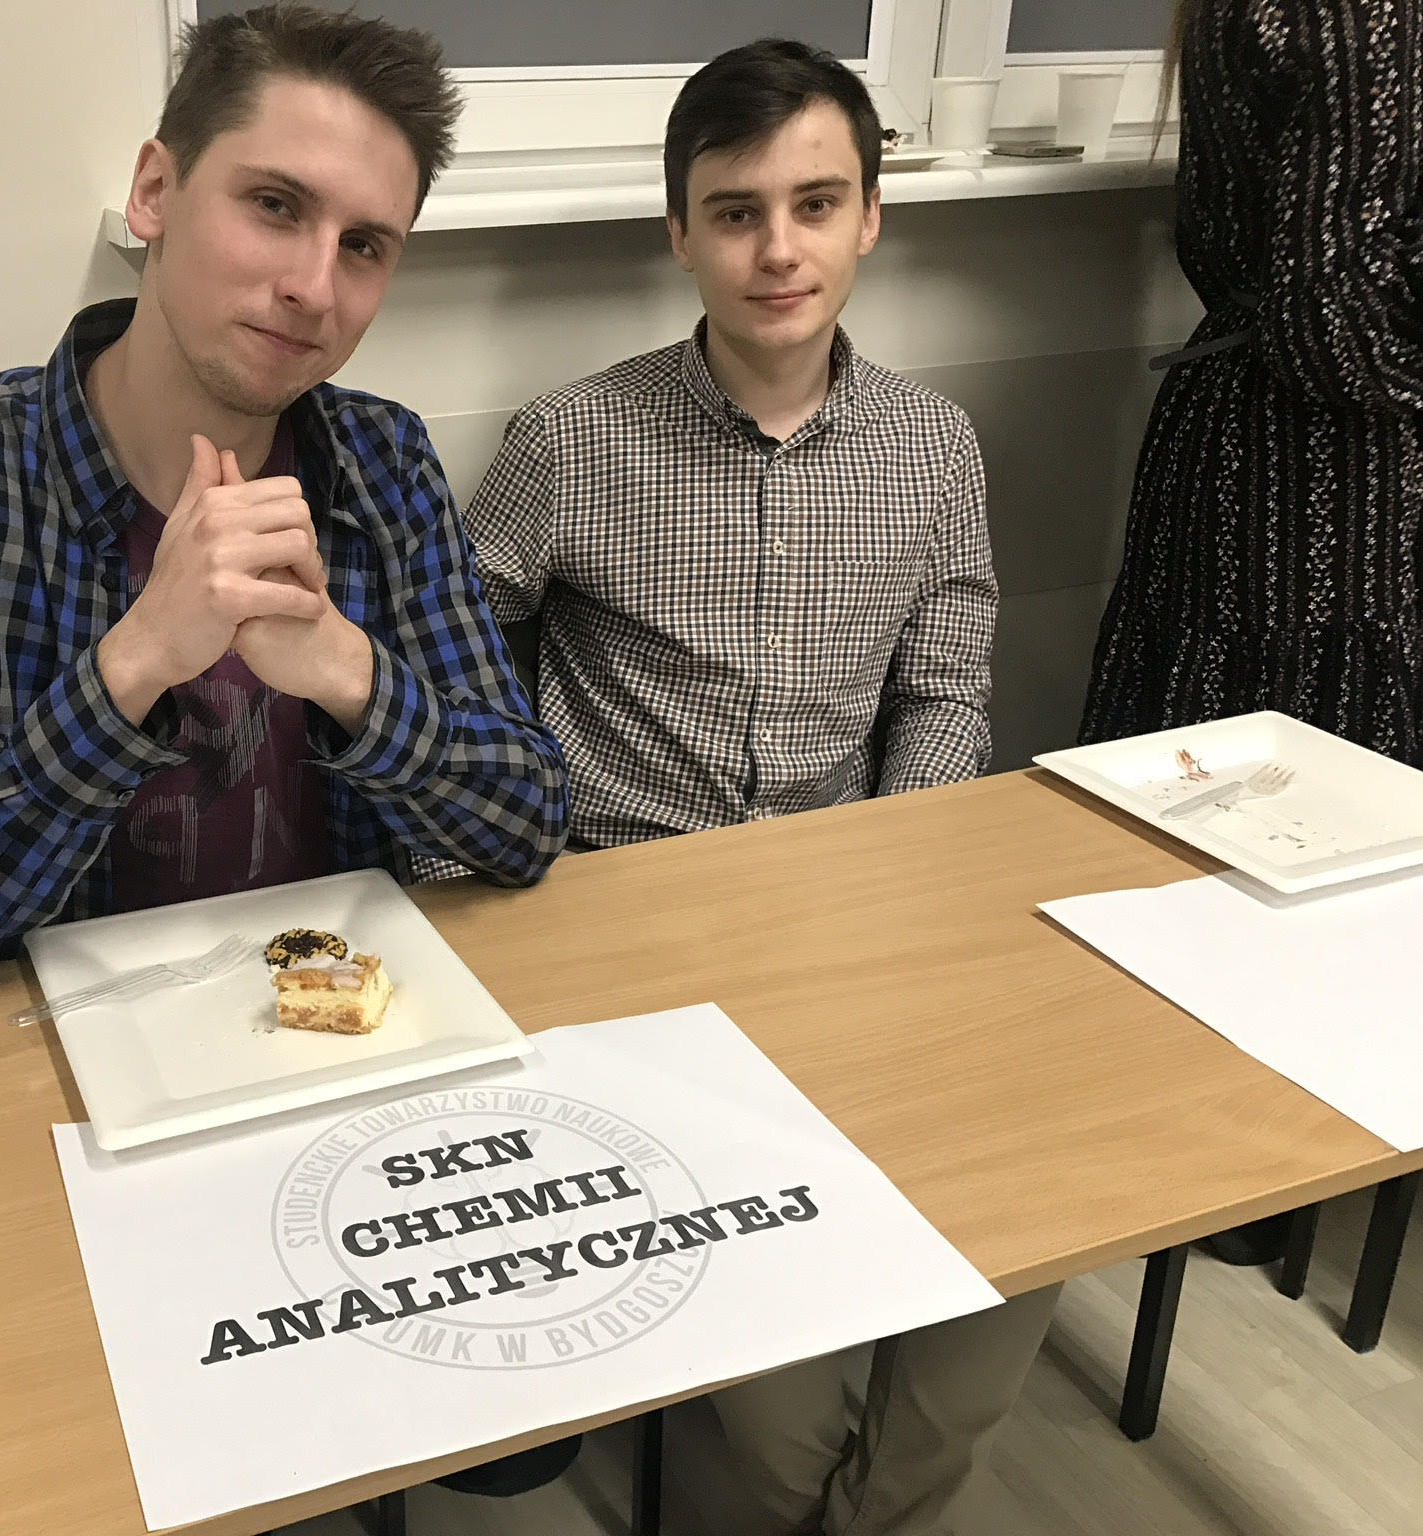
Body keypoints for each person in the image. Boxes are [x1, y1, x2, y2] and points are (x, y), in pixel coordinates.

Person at [459, 40, 1053, 1533]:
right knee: (781, 1394)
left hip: (854, 912)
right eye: (735, 212)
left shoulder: (933, 447)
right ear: (680, 232)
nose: (776, 249)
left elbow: (945, 693)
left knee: (1040, 1199)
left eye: (814, 203)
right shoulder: (568, 441)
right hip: (631, 929)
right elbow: (455, 676)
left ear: (869, 218)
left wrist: (886, 882)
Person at [0, 4, 566, 1001]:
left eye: (362, 245)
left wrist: (348, 672)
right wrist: (134, 662)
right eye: (274, 205)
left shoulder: (383, 462)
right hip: (57, 1043)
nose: (314, 287)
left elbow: (526, 825)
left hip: (327, 1020)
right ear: (154, 192)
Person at [1080, 0, 1421, 1267]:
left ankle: (1208, 1153)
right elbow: (1328, 305)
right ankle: (1240, 1168)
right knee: (1284, 808)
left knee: (1239, 793)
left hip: (1277, 450)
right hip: (1316, 467)